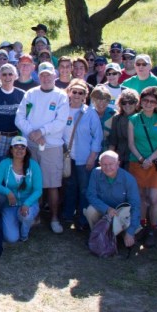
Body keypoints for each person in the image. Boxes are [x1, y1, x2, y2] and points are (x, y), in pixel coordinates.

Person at [16, 62, 66, 233]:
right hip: (31, 144)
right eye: (42, 75)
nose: (45, 78)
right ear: (38, 76)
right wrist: (32, 133)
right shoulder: (31, 94)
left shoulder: (61, 96)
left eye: (48, 75)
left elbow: (61, 121)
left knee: (52, 185)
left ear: (54, 76)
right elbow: (19, 117)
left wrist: (42, 132)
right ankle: (35, 216)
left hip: (52, 146)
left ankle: (54, 218)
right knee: (33, 183)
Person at [127, 87, 157, 239]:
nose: (148, 104)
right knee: (140, 197)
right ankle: (141, 224)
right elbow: (131, 143)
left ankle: (152, 228)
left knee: (153, 198)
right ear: (141, 101)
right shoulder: (133, 119)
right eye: (145, 100)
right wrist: (141, 159)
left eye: (153, 101)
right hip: (137, 162)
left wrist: (149, 159)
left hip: (156, 164)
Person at [60, 80, 102, 231]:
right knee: (70, 186)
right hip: (67, 157)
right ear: (69, 92)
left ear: (85, 95)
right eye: (74, 91)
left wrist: (92, 157)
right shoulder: (62, 109)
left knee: (84, 189)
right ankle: (68, 215)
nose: (77, 95)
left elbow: (97, 137)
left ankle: (83, 219)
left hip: (84, 158)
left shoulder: (90, 113)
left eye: (81, 92)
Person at [85, 150, 143, 251]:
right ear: (99, 164)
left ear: (118, 163)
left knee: (134, 230)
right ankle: (98, 236)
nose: (108, 167)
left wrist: (130, 231)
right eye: (104, 164)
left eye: (111, 164)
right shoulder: (95, 173)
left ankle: (123, 235)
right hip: (104, 211)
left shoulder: (129, 179)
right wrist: (107, 209)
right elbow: (90, 195)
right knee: (90, 211)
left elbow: (135, 205)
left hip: (122, 214)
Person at [0, 136, 43, 244]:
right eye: (16, 147)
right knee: (11, 238)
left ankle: (24, 235)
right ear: (11, 149)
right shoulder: (4, 163)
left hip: (28, 204)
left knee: (26, 216)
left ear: (26, 150)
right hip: (10, 205)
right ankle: (21, 222)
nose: (19, 150)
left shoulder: (34, 165)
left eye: (22, 147)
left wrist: (27, 203)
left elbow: (38, 190)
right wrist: (8, 192)